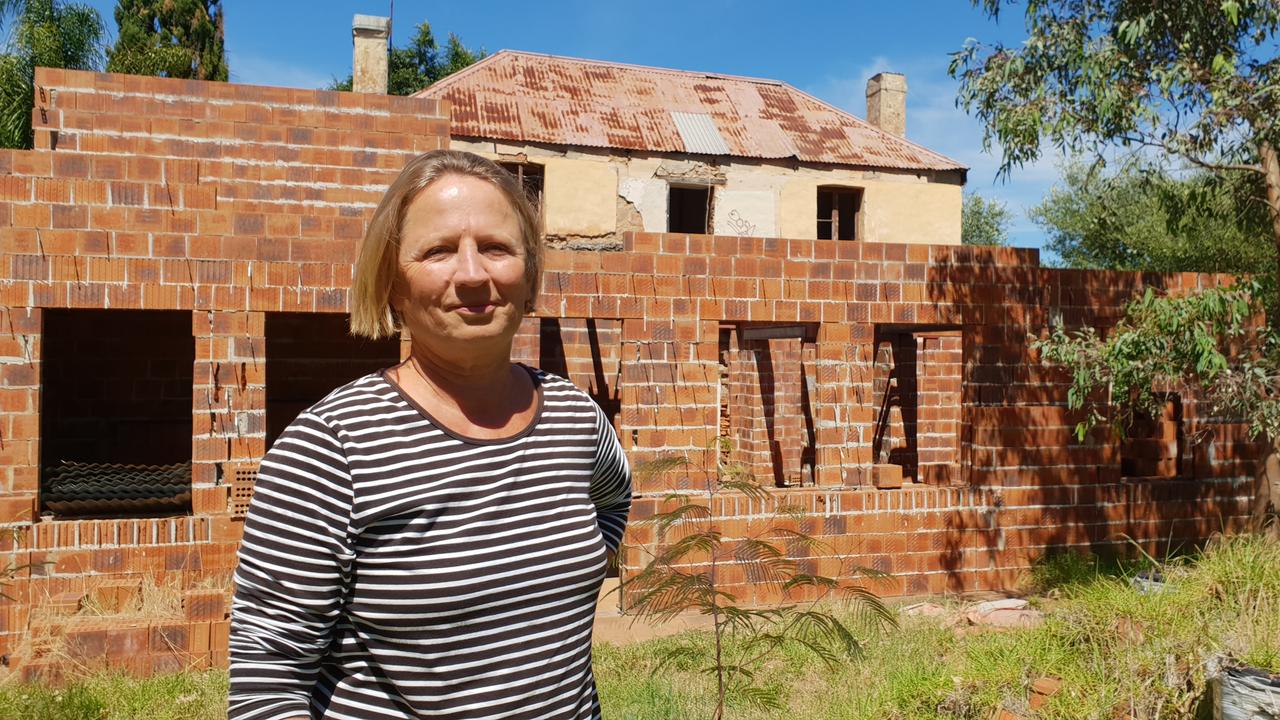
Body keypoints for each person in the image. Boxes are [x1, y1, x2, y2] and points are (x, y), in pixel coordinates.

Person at [228, 149, 632, 720]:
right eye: (438, 251)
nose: (472, 275)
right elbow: (267, 687)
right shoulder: (331, 446)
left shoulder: (576, 418)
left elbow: (614, 501)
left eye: (495, 247)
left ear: (529, 273)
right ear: (392, 282)